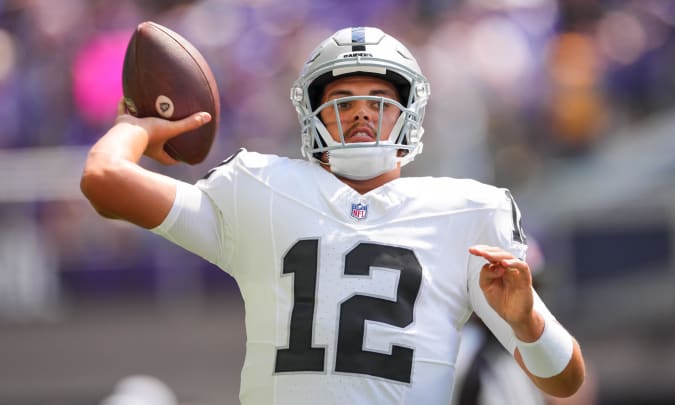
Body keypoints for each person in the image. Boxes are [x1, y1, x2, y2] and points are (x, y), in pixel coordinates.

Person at [81, 27, 585, 405]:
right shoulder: (258, 189)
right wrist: (137, 126)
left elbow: (564, 381)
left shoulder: (469, 212)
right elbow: (104, 182)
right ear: (313, 118)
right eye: (342, 101)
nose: (362, 113)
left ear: (407, 114)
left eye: (380, 101)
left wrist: (526, 321)